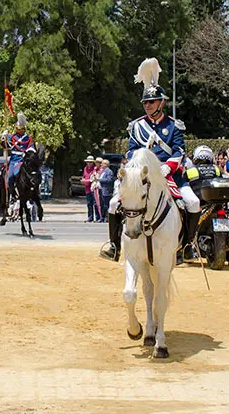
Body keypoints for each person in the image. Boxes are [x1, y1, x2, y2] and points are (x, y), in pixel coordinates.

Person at [100, 58, 199, 262]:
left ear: (162, 102)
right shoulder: (137, 126)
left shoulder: (173, 126)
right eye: (145, 102)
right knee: (112, 204)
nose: (147, 105)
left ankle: (188, 245)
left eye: (151, 102)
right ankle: (114, 246)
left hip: (168, 175)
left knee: (193, 202)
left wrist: (166, 168)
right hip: (141, 176)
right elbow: (131, 152)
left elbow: (179, 151)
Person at [1, 113, 36, 197]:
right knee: (10, 177)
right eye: (18, 129)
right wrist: (3, 138)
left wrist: (28, 154)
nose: (19, 130)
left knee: (34, 175)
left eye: (21, 129)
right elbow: (5, 146)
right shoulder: (11, 137)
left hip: (23, 159)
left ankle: (34, 191)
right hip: (14, 160)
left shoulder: (28, 138)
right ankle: (13, 194)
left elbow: (31, 147)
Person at [98, 158, 114, 223]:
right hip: (101, 190)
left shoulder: (109, 171)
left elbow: (109, 180)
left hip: (106, 191)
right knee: (102, 205)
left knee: (106, 205)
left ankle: (107, 218)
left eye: (102, 163)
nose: (101, 164)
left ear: (106, 164)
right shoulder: (103, 171)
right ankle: (102, 217)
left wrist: (99, 180)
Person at [82, 156, 97, 222]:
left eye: (90, 162)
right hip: (87, 189)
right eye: (88, 162)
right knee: (89, 204)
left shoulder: (95, 169)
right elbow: (84, 177)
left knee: (95, 203)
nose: (89, 163)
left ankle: (97, 217)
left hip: (93, 188)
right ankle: (90, 217)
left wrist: (87, 180)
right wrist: (83, 180)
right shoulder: (85, 169)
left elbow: (93, 179)